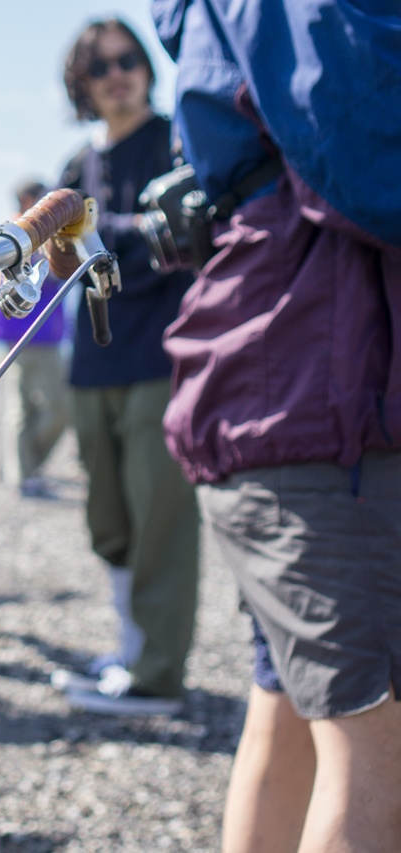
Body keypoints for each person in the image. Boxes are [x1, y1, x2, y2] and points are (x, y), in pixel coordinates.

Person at [151, 1, 401, 847]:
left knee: (293, 703)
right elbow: (365, 147)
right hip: (322, 392)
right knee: (379, 748)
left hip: (288, 386)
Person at [46, 18, 200, 715]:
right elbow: (54, 248)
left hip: (164, 359)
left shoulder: (179, 138)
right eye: (101, 66)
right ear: (82, 84)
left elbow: (190, 231)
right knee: (108, 519)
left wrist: (102, 231)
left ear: (147, 66)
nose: (117, 74)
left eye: (128, 59)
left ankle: (158, 675)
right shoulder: (78, 166)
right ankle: (132, 650)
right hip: (93, 363)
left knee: (161, 519)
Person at [0, 179, 69, 498]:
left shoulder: (22, 233)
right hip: (25, 331)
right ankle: (24, 472)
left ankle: (26, 467)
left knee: (42, 408)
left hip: (41, 331)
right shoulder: (18, 233)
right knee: (31, 407)